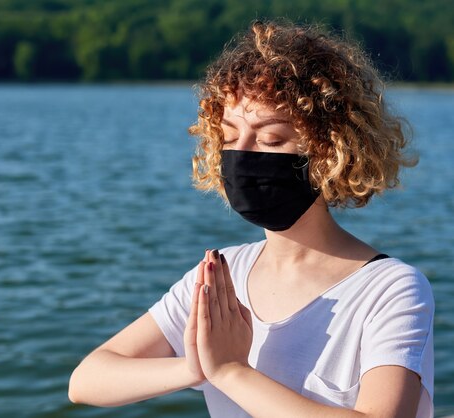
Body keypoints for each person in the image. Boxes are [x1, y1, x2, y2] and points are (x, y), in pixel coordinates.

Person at [68, 20, 434, 418]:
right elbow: (86, 381)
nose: (240, 154)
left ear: (329, 152)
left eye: (270, 139)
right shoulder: (221, 276)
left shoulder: (390, 289)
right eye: (228, 137)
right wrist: (195, 367)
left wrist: (230, 372)